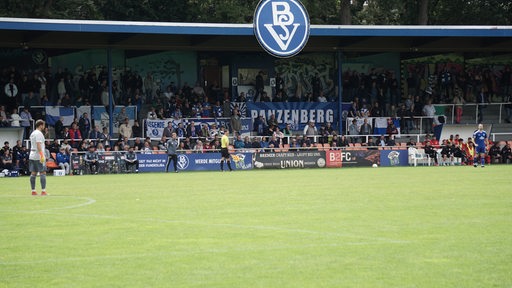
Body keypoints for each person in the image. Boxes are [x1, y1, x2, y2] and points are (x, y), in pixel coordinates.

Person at [28, 119, 47, 196]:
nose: (44, 127)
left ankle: (33, 191)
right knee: (43, 172)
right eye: (43, 125)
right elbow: (38, 144)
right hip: (38, 155)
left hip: (32, 155)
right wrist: (42, 155)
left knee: (33, 173)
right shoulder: (39, 133)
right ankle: (43, 191)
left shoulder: (33, 133)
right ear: (41, 125)